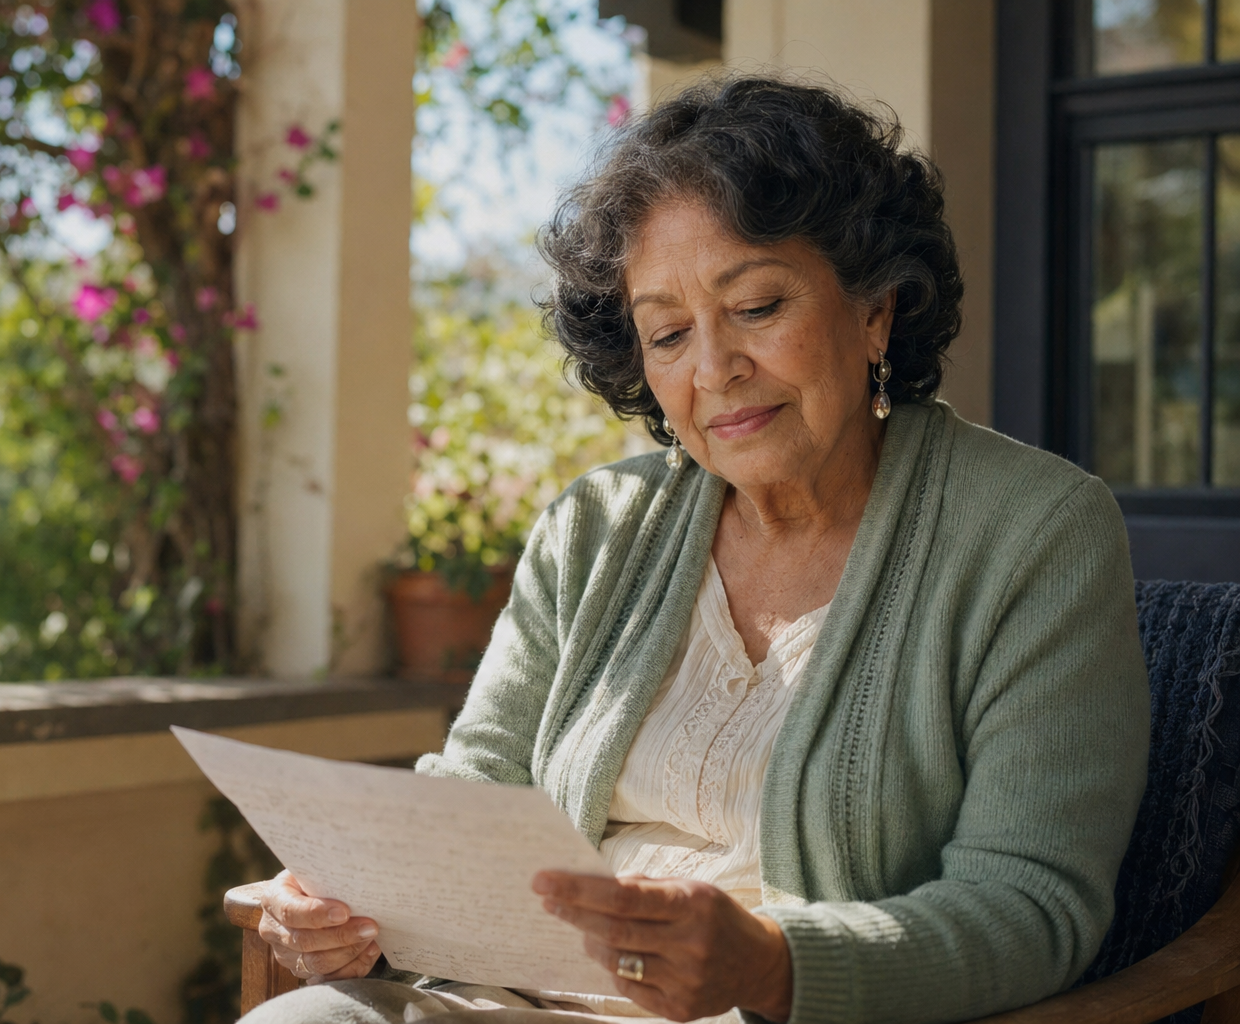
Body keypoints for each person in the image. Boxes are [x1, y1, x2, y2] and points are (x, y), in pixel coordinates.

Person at [245, 76, 1150, 1024]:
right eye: (668, 333)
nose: (714, 371)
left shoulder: (1036, 531)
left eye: (758, 306)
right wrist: (350, 901)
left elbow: (1034, 907)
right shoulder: (595, 526)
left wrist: (773, 966)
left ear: (875, 308)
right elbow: (479, 793)